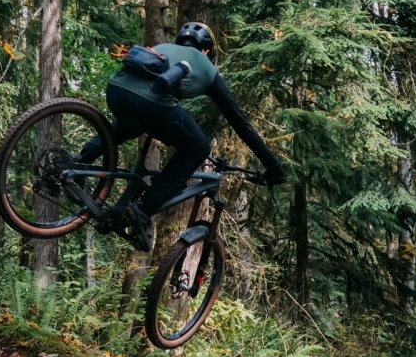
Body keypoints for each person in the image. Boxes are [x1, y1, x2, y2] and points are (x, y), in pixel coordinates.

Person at [82, 21, 286, 251]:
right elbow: (242, 125)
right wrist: (273, 167)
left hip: (116, 92)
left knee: (134, 122)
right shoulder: (207, 67)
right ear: (207, 51)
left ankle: (79, 161)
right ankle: (143, 208)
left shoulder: (162, 46)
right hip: (152, 105)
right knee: (198, 147)